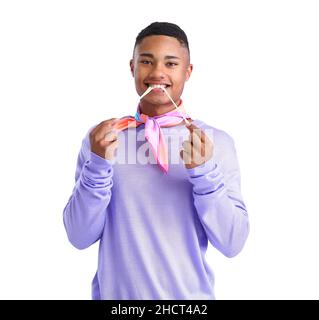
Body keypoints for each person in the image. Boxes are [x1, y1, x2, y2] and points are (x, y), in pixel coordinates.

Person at [63, 22, 249, 300]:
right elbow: (79, 237)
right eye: (147, 61)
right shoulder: (102, 140)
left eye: (171, 63)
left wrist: (204, 173)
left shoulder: (215, 143)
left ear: (188, 72)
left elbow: (232, 242)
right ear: (132, 68)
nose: (158, 72)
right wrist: (98, 167)